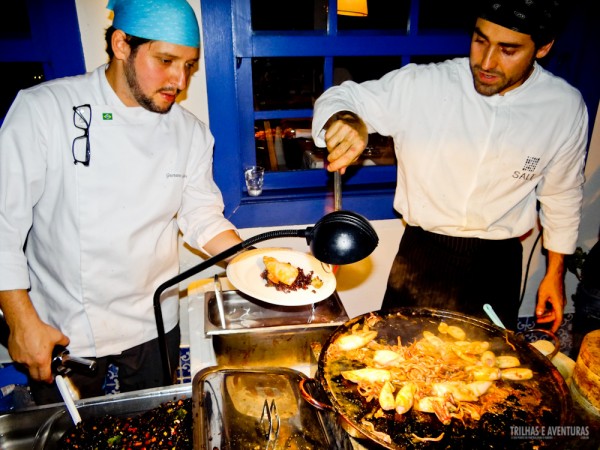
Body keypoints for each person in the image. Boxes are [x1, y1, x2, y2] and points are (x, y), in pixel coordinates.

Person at [0, 0, 243, 403]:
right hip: (64, 324)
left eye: (188, 65)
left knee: (154, 427)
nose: (179, 80)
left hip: (154, 318)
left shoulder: (190, 132)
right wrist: (20, 319)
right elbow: (3, 222)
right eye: (166, 60)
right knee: (67, 436)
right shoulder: (44, 111)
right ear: (121, 45)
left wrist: (250, 262)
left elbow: (202, 214)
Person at [311, 0, 588, 332]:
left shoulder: (564, 107)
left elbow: (563, 196)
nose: (486, 62)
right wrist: (346, 119)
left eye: (508, 50)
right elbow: (341, 98)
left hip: (497, 265)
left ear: (542, 48)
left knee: (489, 373)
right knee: (396, 365)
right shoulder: (426, 84)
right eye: (480, 40)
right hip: (423, 254)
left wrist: (554, 274)